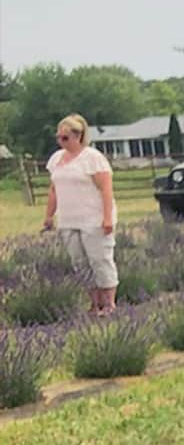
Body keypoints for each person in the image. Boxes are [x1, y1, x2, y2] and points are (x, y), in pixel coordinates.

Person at [43, 114, 119, 313]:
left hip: (93, 218)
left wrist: (108, 217)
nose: (61, 142)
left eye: (65, 138)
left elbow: (106, 188)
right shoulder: (56, 159)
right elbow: (53, 190)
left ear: (78, 136)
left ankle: (109, 303)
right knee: (79, 262)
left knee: (99, 259)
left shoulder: (92, 158)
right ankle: (94, 303)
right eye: (58, 138)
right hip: (68, 219)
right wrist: (49, 216)